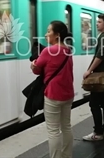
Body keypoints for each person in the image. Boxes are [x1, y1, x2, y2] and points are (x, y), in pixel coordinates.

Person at [31, 21, 74, 158]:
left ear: (57, 35)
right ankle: (67, 155)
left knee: (53, 131)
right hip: (68, 94)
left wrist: (33, 65)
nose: (45, 34)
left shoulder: (49, 50)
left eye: (49, 31)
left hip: (53, 95)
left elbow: (37, 69)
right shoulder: (68, 50)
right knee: (66, 126)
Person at [82, 14, 104, 141]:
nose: (97, 24)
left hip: (100, 75)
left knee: (94, 104)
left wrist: (89, 70)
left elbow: (101, 55)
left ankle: (98, 133)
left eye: (99, 22)